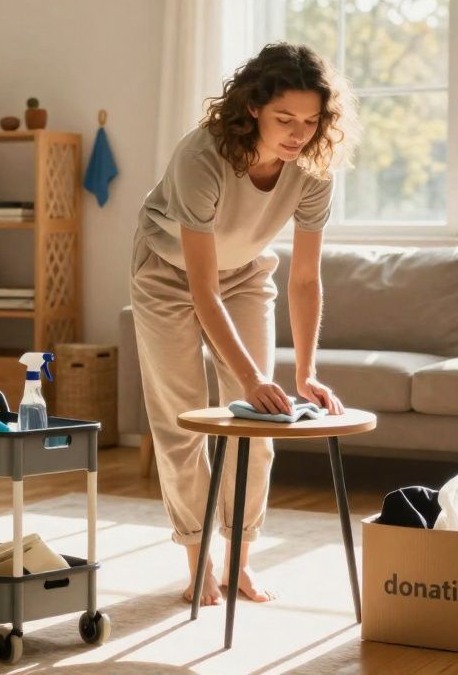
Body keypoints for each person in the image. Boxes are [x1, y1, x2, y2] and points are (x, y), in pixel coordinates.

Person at [129, 42, 361, 605]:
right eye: (285, 118)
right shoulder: (201, 158)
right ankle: (197, 564)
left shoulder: (312, 170)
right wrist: (253, 379)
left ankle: (238, 563)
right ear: (253, 106)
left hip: (244, 275)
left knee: (262, 425)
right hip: (166, 275)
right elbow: (199, 290)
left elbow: (305, 279)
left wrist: (303, 372)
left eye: (311, 121)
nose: (297, 133)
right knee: (182, 420)